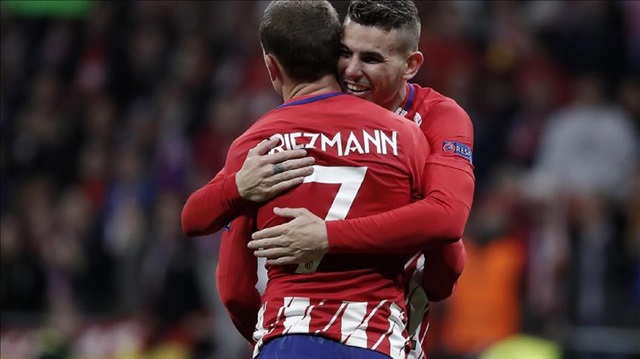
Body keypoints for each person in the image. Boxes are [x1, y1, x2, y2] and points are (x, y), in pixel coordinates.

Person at [181, 0, 475, 357]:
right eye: (344, 53)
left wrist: (325, 237)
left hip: (327, 331)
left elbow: (446, 219)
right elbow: (446, 264)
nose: (351, 70)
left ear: (411, 65)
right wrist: (238, 187)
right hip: (378, 336)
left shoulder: (435, 120)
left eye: (370, 59)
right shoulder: (408, 137)